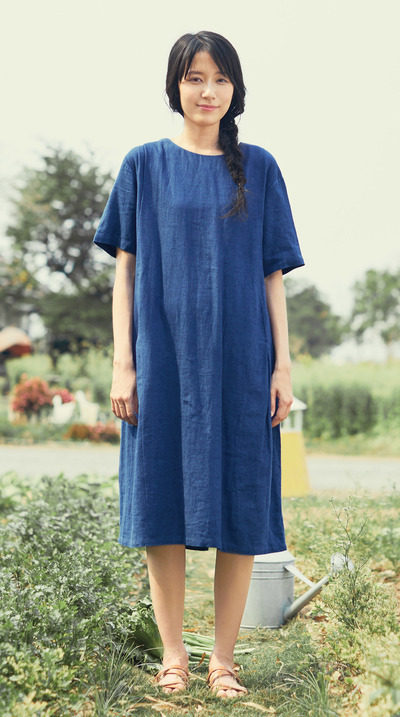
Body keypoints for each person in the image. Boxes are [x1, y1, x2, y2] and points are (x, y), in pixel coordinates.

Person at [92, 30, 305, 700]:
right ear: (175, 86)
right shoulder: (143, 165)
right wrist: (124, 362)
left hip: (243, 361)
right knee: (161, 500)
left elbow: (273, 276)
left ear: (235, 89)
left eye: (219, 78)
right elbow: (125, 273)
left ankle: (222, 661)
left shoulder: (260, 167)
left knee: (242, 500)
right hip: (161, 359)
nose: (207, 91)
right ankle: (174, 655)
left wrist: (282, 367)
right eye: (194, 78)